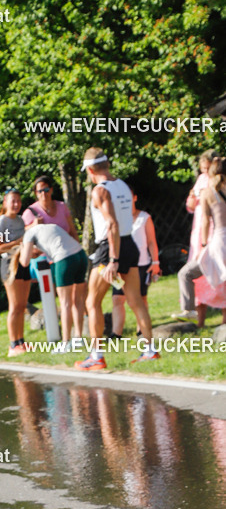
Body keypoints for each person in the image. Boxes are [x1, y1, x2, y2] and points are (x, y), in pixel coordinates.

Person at [75, 147, 159, 371]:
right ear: (107, 164)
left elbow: (111, 224)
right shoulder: (122, 185)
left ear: (91, 170)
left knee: (92, 302)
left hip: (110, 248)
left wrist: (112, 260)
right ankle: (150, 351)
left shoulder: (99, 190)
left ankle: (96, 356)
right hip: (129, 243)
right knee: (136, 300)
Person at [19, 219, 88, 349]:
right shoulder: (50, 226)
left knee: (65, 303)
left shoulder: (28, 234)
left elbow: (24, 262)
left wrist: (23, 249)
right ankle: (78, 338)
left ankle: (65, 342)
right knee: (78, 300)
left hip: (64, 259)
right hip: (80, 255)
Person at [174, 149, 220, 325]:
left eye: (207, 168)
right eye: (202, 169)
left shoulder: (218, 183)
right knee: (196, 275)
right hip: (199, 230)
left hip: (213, 232)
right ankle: (197, 318)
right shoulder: (201, 180)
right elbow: (191, 205)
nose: (205, 172)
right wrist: (191, 200)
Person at [110, 186, 161, 336]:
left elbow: (151, 242)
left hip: (141, 263)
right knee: (117, 298)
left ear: (134, 198)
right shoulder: (117, 219)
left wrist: (155, 262)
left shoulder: (144, 218)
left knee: (140, 299)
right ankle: (116, 333)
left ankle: (142, 331)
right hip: (122, 263)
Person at [0, 187, 31, 355]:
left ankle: (21, 341)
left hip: (23, 261)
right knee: (14, 306)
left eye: (18, 201)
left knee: (22, 305)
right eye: (12, 201)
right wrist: (18, 241)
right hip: (9, 264)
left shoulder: (21, 220)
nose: (16, 204)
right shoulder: (1, 221)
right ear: (5, 202)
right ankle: (13, 343)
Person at [22, 175, 79, 240]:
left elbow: (73, 232)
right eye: (40, 191)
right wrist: (33, 225)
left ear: (51, 190)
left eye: (46, 190)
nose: (43, 194)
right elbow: (20, 233)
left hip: (66, 247)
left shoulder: (62, 206)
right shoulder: (30, 212)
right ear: (36, 193)